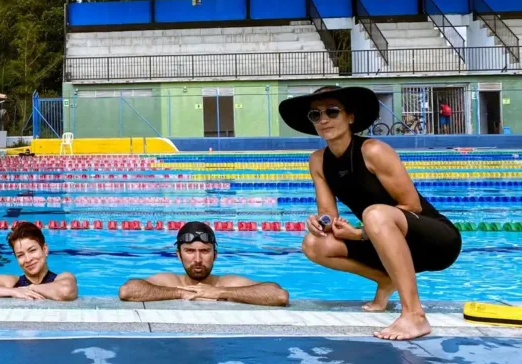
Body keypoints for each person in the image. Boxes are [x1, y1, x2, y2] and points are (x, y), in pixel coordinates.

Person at [280, 85, 462, 341]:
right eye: (316, 115)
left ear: (350, 117)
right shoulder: (318, 160)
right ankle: (384, 280)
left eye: (332, 112)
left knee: (374, 213)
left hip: (434, 240)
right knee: (314, 244)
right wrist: (320, 223)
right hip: (382, 240)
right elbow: (327, 214)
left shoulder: (373, 151)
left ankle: (415, 315)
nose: (323, 120)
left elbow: (412, 205)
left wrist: (361, 234)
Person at [118, 222, 289, 306]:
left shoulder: (227, 284)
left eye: (205, 251)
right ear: (178, 255)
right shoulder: (169, 282)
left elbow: (279, 295)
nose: (198, 259)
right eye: (190, 251)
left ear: (215, 255)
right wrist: (180, 292)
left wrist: (217, 292)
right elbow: (128, 290)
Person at [0, 221, 78, 301]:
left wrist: (30, 288)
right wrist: (13, 291)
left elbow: (66, 291)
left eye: (32, 250)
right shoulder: (12, 282)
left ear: (45, 249)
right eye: (20, 255)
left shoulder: (62, 278)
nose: (28, 259)